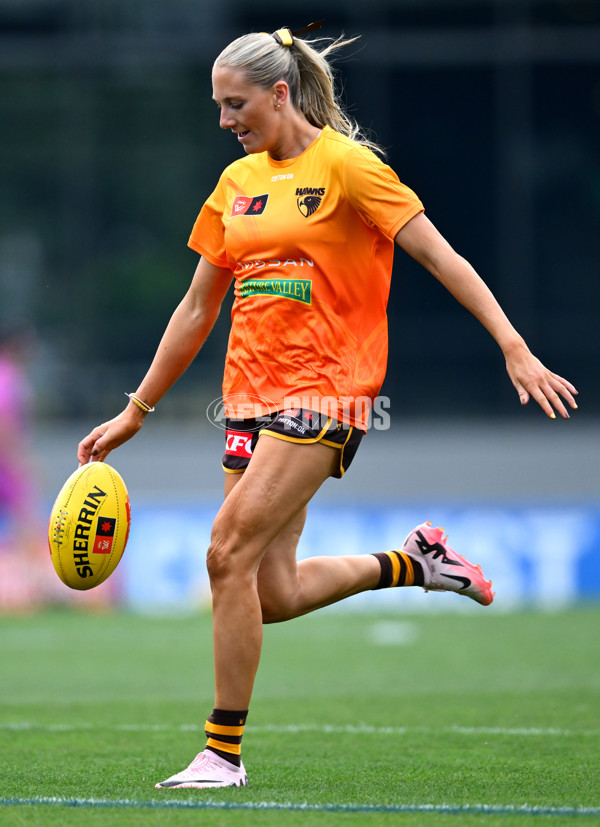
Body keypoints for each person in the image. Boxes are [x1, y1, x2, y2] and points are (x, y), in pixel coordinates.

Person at [77, 23, 578, 790]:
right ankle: (417, 562)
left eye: (234, 103)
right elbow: (194, 308)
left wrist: (513, 345)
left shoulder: (350, 166)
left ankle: (221, 753)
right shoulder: (235, 185)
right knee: (267, 592)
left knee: (223, 552)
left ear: (280, 94)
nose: (224, 121)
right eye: (216, 106)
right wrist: (137, 408)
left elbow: (441, 255)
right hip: (246, 394)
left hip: (328, 392)